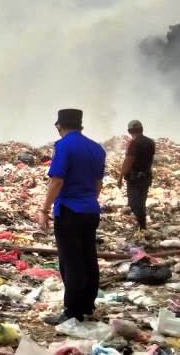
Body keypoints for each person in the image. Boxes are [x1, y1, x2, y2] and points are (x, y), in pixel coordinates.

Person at [36, 109, 106, 325]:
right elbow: (98, 184)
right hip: (90, 210)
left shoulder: (63, 146)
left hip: (69, 210)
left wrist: (44, 209)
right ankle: (86, 305)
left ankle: (72, 311)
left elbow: (56, 180)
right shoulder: (96, 148)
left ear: (59, 126)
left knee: (71, 261)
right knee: (88, 258)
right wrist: (89, 201)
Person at [116, 120, 155, 238]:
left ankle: (142, 226)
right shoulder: (150, 142)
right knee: (141, 202)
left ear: (130, 131)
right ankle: (142, 226)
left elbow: (128, 161)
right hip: (147, 177)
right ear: (141, 129)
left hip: (135, 178)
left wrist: (120, 177)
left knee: (133, 203)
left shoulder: (134, 143)